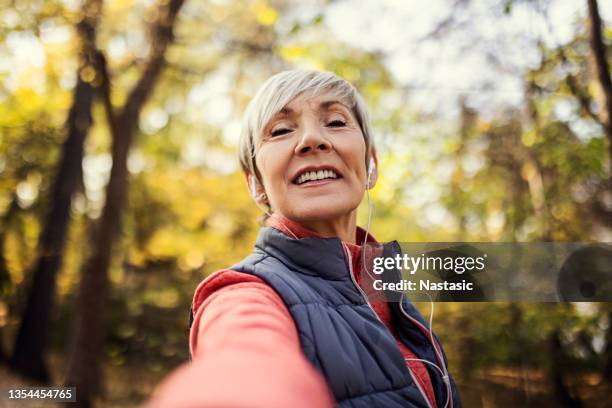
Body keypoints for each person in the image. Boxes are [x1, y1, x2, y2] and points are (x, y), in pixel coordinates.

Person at [146, 69, 461, 408]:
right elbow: (242, 366)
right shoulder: (242, 294)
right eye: (280, 130)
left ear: (371, 164)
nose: (312, 140)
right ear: (255, 183)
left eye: (336, 123)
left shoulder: (395, 292)